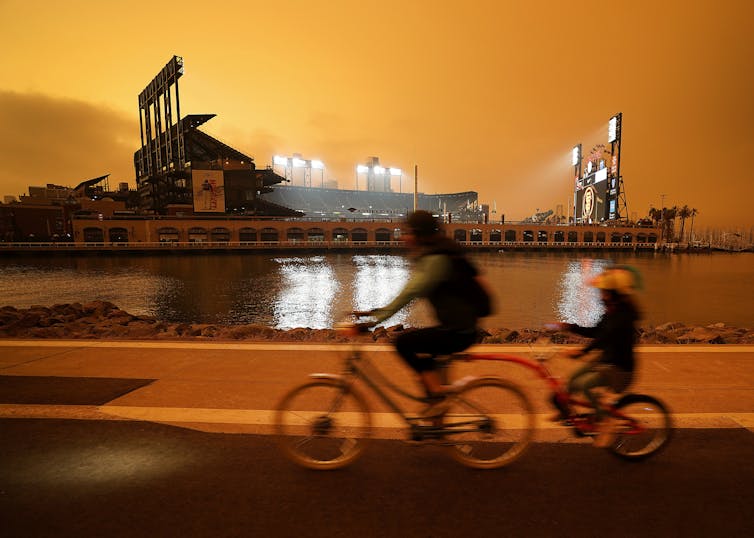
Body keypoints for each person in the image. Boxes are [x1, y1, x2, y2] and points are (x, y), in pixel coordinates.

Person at [356, 210, 492, 415]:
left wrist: (374, 320)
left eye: (407, 232)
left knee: (404, 343)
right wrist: (372, 313)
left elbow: (411, 291)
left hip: (459, 331)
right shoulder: (437, 252)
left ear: (419, 234)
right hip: (458, 327)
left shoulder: (436, 259)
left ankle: (437, 394)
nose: (403, 237)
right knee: (424, 359)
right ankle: (435, 413)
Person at [547, 266, 642, 447]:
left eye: (604, 291)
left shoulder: (624, 317)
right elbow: (596, 332)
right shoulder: (612, 311)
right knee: (573, 380)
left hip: (619, 369)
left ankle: (607, 423)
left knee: (584, 386)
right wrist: (569, 327)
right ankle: (566, 411)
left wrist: (582, 352)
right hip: (606, 360)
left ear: (615, 293)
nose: (601, 295)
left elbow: (604, 338)